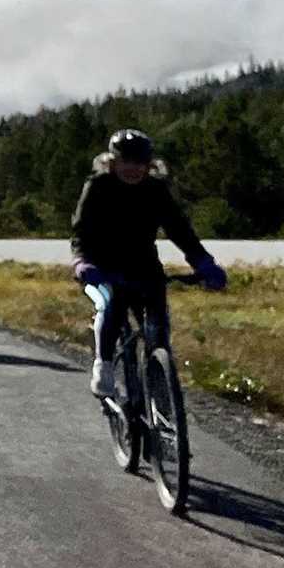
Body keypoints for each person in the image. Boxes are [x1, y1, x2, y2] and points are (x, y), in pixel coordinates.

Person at [71, 128, 227, 399]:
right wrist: (82, 262)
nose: (132, 168)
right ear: (113, 161)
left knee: (159, 331)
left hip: (144, 266)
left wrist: (203, 262)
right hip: (104, 266)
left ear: (148, 164)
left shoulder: (155, 190)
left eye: (139, 163)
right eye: (125, 162)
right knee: (111, 307)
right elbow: (81, 230)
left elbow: (179, 230)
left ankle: (159, 392)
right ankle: (103, 365)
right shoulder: (98, 186)